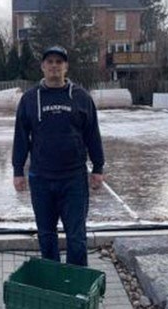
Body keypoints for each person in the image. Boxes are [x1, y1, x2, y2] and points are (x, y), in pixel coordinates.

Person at [12, 46, 105, 267]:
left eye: (59, 62)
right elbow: (21, 136)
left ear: (66, 67)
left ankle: (75, 284)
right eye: (50, 61)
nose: (54, 66)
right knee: (46, 235)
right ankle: (53, 283)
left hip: (73, 179)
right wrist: (18, 171)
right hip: (41, 178)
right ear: (43, 66)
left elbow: (93, 134)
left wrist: (98, 167)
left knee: (76, 237)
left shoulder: (81, 98)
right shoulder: (29, 99)